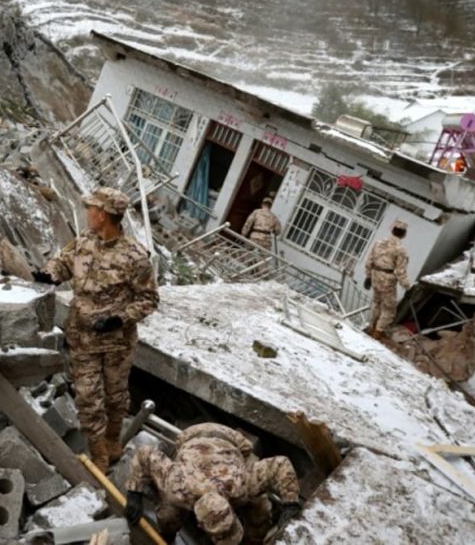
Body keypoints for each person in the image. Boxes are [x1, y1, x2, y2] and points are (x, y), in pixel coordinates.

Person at [35, 187, 159, 471]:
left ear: (103, 215)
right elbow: (62, 263)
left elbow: (149, 299)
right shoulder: (84, 242)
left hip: (117, 344)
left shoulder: (135, 257)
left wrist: (119, 319)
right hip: (82, 339)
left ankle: (113, 440)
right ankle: (99, 457)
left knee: (115, 398)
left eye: (91, 208)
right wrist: (48, 275)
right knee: (88, 398)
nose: (87, 212)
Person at [124, 423, 301, 544]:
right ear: (199, 525)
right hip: (190, 439)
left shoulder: (241, 485)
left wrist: (290, 504)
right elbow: (144, 454)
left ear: (231, 508)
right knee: (168, 515)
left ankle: (253, 542)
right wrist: (134, 493)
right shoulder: (177, 487)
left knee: (260, 509)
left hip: (232, 440)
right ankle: (166, 538)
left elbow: (281, 463)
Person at [364, 219, 411, 340]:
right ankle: (377, 333)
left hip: (375, 276)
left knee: (378, 304)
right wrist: (407, 287)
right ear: (404, 234)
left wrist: (368, 276)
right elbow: (401, 271)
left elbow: (369, 260)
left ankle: (373, 327)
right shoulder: (401, 250)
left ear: (393, 230)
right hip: (387, 280)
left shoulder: (378, 242)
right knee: (389, 309)